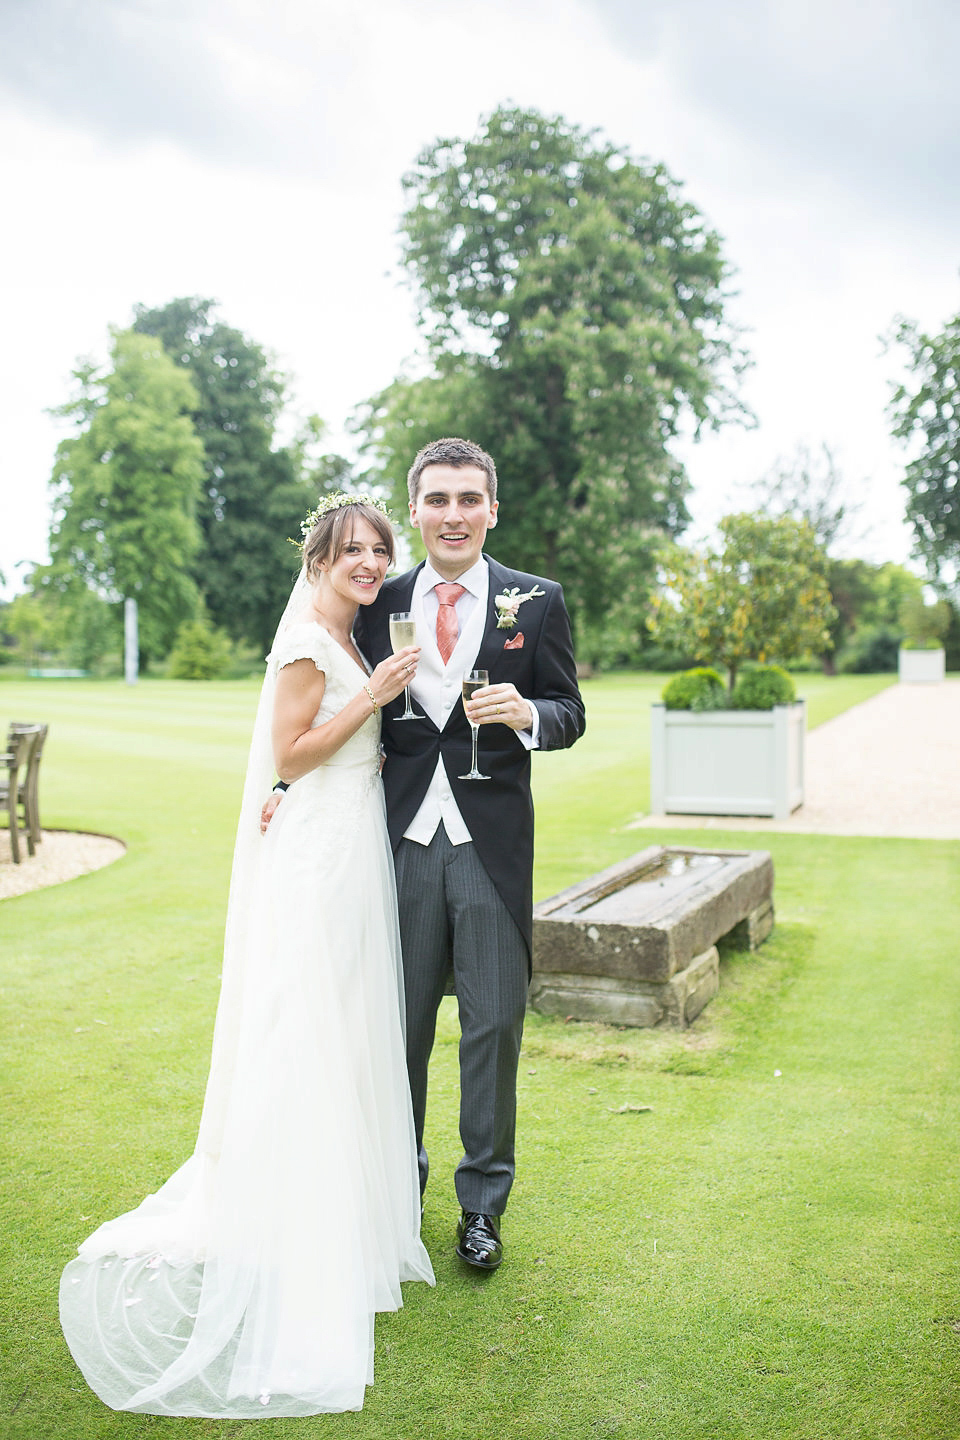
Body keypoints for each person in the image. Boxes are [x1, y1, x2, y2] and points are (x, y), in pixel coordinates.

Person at [59, 496, 435, 1419]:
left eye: (377, 550)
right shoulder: (310, 640)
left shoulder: (347, 633)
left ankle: (344, 1220)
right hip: (318, 856)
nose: (366, 561)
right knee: (303, 1028)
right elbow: (294, 754)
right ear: (319, 558)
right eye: (351, 549)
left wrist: (369, 735)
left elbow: (308, 761)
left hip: (348, 848)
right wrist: (376, 702)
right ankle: (290, 1228)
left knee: (344, 1028)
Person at [269, 438, 585, 1272]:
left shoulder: (537, 600)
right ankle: (393, 1195)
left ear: (491, 509)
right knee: (396, 1030)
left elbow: (570, 711)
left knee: (494, 1029)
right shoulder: (375, 593)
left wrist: (530, 716)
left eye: (468, 499)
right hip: (396, 842)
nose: (453, 514)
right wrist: (283, 787)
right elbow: (315, 682)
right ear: (415, 509)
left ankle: (481, 1208)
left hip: (491, 850)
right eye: (437, 499)